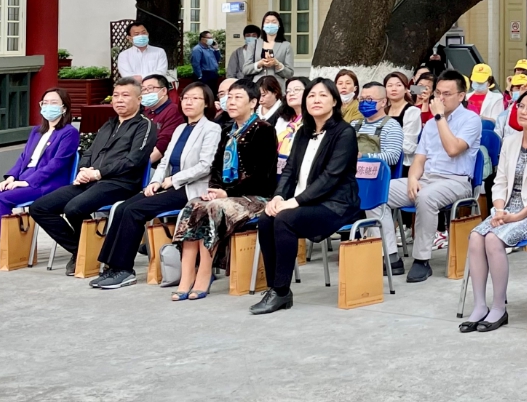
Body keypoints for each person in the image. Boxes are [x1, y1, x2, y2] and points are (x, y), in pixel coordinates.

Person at [90, 81, 222, 289]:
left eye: (195, 98)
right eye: (185, 98)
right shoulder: (180, 128)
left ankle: (124, 270)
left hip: (190, 189)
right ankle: (111, 267)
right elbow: (164, 161)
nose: (189, 102)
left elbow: (205, 166)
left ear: (206, 103)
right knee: (123, 207)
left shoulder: (212, 129)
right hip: (169, 185)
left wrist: (173, 180)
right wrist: (155, 182)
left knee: (134, 211)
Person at [461, 87, 527, 333]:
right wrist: (499, 209)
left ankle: (499, 308)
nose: (523, 111)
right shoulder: (510, 142)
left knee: (493, 238)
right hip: (506, 209)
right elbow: (499, 182)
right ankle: (479, 305)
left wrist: (517, 216)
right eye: (521, 106)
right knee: (476, 236)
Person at [250, 78, 359, 314]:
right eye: (311, 95)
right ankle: (277, 289)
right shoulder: (303, 132)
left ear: (334, 101)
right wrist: (278, 197)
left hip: (335, 204)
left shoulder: (344, 133)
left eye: (322, 95)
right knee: (266, 218)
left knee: (284, 219)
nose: (316, 100)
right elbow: (289, 170)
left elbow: (331, 177)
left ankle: (280, 291)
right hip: (302, 203)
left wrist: (294, 202)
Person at [30, 78, 158, 275]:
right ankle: (81, 249)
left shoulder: (145, 125)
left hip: (120, 183)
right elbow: (89, 152)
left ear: (139, 99)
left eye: (125, 95)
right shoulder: (108, 124)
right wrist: (83, 170)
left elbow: (135, 160)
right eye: (116, 96)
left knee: (74, 209)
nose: (119, 100)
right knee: (39, 207)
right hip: (91, 180)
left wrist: (99, 173)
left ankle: (86, 251)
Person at [171, 78, 279, 299]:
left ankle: (204, 272)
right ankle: (186, 274)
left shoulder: (264, 130)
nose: (231, 102)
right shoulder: (228, 130)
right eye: (229, 97)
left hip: (256, 197)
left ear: (253, 103)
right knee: (193, 205)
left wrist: (226, 194)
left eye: (238, 97)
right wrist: (214, 189)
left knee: (213, 208)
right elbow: (216, 168)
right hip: (225, 196)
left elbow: (263, 176)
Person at [0, 88, 80, 269]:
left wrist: (27, 181)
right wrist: (11, 177)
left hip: (48, 183)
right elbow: (23, 158)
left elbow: (58, 164)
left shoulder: (69, 132)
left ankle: (3, 250)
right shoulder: (36, 131)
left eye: (54, 103)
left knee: (2, 199)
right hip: (24, 178)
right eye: (45, 103)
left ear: (64, 108)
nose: (48, 106)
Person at [385, 71, 483, 283]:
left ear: (461, 95)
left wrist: (438, 117)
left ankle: (421, 260)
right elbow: (419, 159)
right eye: (438, 93)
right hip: (427, 178)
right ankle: (391, 254)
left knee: (426, 197)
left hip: (456, 181)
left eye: (447, 93)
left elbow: (453, 149)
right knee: (380, 192)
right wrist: (412, 179)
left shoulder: (471, 120)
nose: (440, 99)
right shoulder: (429, 125)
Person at [351, 81, 405, 274]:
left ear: (383, 102)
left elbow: (392, 156)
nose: (364, 103)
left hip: (375, 179)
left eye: (370, 99)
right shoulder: (353, 125)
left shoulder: (391, 126)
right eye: (362, 99)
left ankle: (390, 257)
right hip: (350, 178)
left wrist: (365, 157)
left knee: (374, 202)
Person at [383, 71, 424, 170]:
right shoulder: (383, 111)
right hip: (383, 160)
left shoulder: (412, 111)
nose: (394, 89)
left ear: (406, 89)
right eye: (390, 85)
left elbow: (409, 147)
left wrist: (383, 145)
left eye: (398, 85)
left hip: (402, 165)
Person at [140, 75, 186, 162]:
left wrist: (141, 167)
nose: (146, 92)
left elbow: (163, 146)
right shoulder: (146, 113)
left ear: (164, 91)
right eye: (143, 89)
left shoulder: (174, 111)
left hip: (157, 165)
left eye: (150, 88)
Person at [249, 11, 295, 85]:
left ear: (279, 25)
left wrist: (277, 64)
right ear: (263, 25)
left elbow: (289, 73)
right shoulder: (253, 44)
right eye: (267, 22)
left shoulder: (286, 46)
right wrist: (260, 63)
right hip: (257, 86)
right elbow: (245, 69)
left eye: (274, 22)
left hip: (277, 86)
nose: (270, 24)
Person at [274, 77, 308, 154]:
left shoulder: (313, 120)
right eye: (288, 91)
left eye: (296, 90)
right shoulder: (282, 119)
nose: (291, 93)